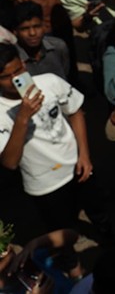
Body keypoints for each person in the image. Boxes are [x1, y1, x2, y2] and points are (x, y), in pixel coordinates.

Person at [0, 43, 92, 232]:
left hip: (77, 164)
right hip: (45, 184)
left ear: (24, 65)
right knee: (61, 229)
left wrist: (84, 154)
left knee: (96, 207)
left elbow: (75, 112)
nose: (15, 80)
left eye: (18, 71)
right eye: (5, 77)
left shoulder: (49, 81)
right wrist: (22, 118)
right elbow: (9, 162)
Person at [11, 1, 70, 79]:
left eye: (37, 26)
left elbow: (66, 73)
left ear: (43, 26)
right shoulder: (12, 57)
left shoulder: (58, 47)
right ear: (15, 31)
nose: (32, 33)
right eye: (25, 29)